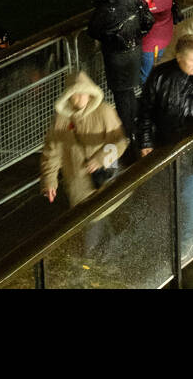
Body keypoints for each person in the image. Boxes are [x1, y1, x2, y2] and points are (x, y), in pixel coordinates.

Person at [138, 37, 193, 253]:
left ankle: (186, 241)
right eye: (191, 61)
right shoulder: (160, 76)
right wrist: (146, 141)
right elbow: (145, 110)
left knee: (186, 193)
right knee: (185, 188)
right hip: (168, 144)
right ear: (178, 58)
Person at [40, 70, 128, 253]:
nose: (79, 98)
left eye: (82, 93)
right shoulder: (61, 120)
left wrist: (101, 159)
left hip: (105, 176)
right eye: (75, 94)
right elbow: (52, 152)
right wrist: (50, 181)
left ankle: (100, 254)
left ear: (90, 93)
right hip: (79, 182)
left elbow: (120, 141)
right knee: (92, 221)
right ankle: (98, 254)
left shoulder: (104, 112)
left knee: (103, 218)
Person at [87, 0, 153, 145]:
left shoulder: (103, 10)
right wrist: (137, 36)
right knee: (129, 91)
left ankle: (128, 132)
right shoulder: (135, 0)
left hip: (117, 57)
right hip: (134, 52)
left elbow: (92, 31)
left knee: (122, 94)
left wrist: (110, 38)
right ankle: (134, 124)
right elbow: (148, 22)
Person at [134, 0, 174, 82]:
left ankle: (149, 98)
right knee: (158, 69)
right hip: (165, 36)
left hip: (148, 41)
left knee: (146, 75)